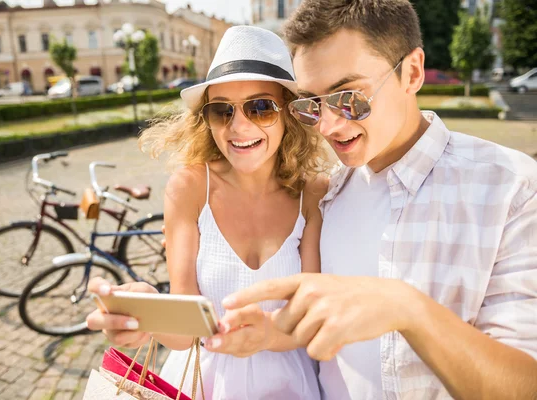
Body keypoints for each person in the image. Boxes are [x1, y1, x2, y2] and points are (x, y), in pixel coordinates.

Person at [214, 1, 537, 399]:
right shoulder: (324, 195)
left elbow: (526, 385)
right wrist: (268, 332)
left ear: (412, 72)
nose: (329, 125)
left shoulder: (512, 189)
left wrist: (408, 308)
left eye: (349, 96)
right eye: (311, 104)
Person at [86, 25, 328, 399]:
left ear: (290, 115)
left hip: (290, 385)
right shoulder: (189, 188)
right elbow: (183, 337)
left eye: (261, 107)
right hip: (202, 383)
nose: (238, 126)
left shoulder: (311, 193)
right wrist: (146, 312)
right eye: (221, 110)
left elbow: (311, 318)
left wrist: (267, 333)